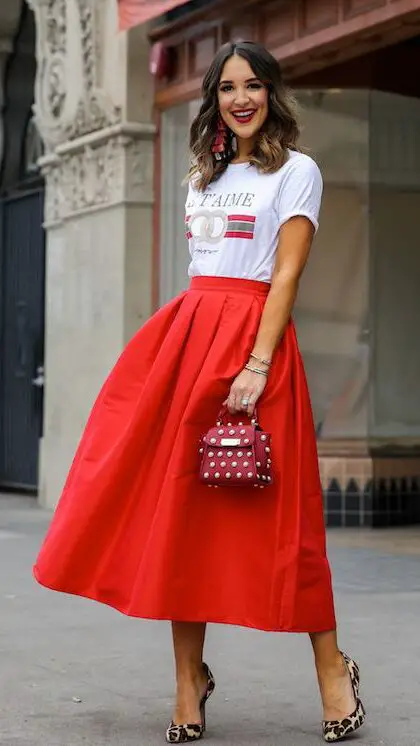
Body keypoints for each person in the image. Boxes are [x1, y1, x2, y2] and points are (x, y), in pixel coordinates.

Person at [34, 41, 366, 744]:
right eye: (226, 88)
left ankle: (333, 668)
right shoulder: (201, 178)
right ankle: (189, 683)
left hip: (255, 345)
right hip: (187, 344)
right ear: (214, 100)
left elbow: (284, 277)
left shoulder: (298, 173)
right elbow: (202, 270)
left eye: (252, 85)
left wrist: (257, 362)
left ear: (273, 93)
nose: (240, 98)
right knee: (181, 515)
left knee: (289, 523)